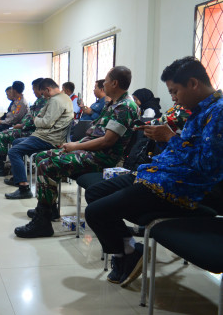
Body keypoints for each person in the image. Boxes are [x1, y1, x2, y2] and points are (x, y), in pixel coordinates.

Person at [85, 56, 222, 288]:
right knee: (95, 193)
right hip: (156, 173)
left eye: (175, 91)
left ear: (193, 83)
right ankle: (129, 249)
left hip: (179, 187)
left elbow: (207, 166)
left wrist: (170, 137)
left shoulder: (218, 113)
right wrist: (164, 136)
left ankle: (125, 253)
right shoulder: (196, 110)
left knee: (95, 212)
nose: (174, 98)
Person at [14, 66, 139, 238]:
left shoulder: (125, 107)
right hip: (90, 150)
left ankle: (43, 222)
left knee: (47, 164)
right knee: (43, 156)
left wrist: (76, 147)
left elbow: (107, 141)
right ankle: (49, 209)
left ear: (115, 83)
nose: (104, 85)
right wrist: (74, 144)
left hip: (102, 157)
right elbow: (95, 133)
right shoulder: (113, 104)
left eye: (107, 81)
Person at [4, 78, 73, 199]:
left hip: (48, 138)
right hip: (45, 135)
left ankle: (24, 188)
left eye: (43, 94)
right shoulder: (62, 98)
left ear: (48, 89)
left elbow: (45, 122)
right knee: (16, 142)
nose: (43, 97)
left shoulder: (56, 101)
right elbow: (41, 114)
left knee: (14, 151)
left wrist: (37, 120)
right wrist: (39, 119)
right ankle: (19, 176)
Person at [0, 78, 46, 177]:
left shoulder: (43, 102)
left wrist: (21, 125)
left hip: (31, 131)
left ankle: (0, 167)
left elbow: (34, 120)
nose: (33, 92)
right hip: (25, 127)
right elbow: (29, 117)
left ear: (41, 89)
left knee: (0, 136)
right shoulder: (38, 101)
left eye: (34, 89)